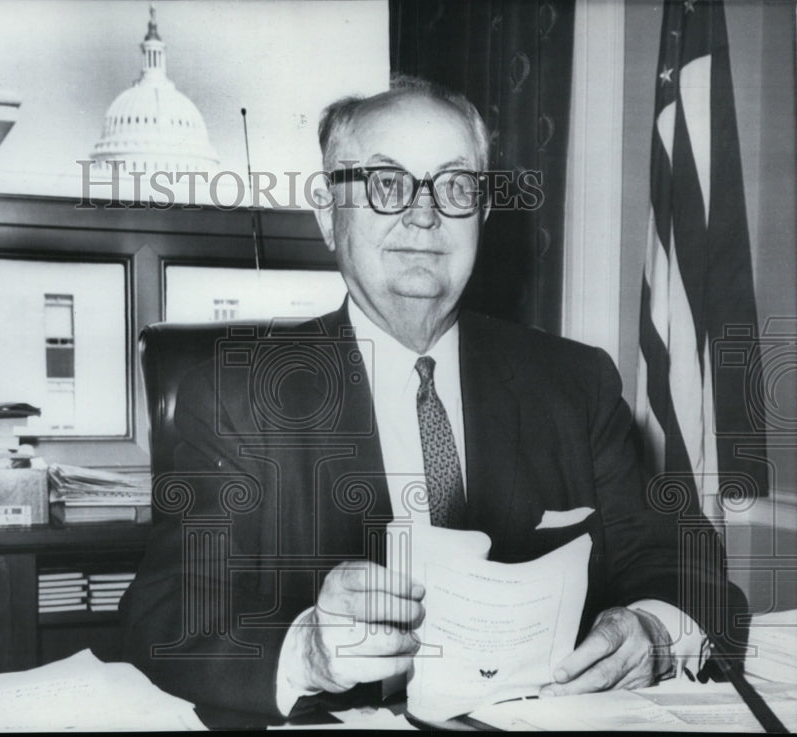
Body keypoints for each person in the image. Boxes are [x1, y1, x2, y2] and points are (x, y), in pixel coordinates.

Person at [120, 77, 746, 720]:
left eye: (453, 186)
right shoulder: (237, 396)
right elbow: (167, 610)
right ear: (326, 214)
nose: (424, 214)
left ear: (481, 215)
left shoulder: (575, 384)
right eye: (386, 183)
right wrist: (304, 650)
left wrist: (654, 631)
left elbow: (685, 565)